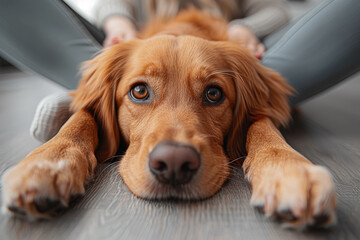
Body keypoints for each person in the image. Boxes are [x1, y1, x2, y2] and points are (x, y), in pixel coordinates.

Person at [0, 0, 359, 142]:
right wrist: (117, 21)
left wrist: (245, 29)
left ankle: (96, 98)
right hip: (137, 44)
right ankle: (98, 89)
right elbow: (113, 3)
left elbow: (276, 10)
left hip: (229, 49)